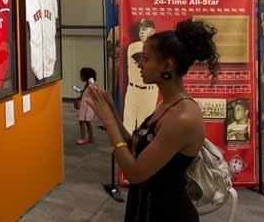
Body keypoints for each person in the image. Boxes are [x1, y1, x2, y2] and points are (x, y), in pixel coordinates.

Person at [87, 19, 219, 222]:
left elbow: (134, 172)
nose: (140, 64)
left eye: (146, 59)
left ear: (168, 64)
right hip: (143, 206)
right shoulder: (167, 105)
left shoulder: (182, 116)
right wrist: (112, 111)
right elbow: (137, 146)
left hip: (167, 214)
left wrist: (109, 122)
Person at [124, 18, 159, 132]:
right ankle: (128, 149)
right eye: (140, 30)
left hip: (150, 91)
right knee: (128, 125)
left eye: (145, 29)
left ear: (153, 31)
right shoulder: (134, 46)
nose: (141, 32)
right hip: (133, 89)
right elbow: (143, 64)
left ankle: (141, 149)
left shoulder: (159, 48)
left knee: (145, 125)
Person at [75, 67, 97, 145]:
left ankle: (83, 138)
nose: (81, 77)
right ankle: (91, 138)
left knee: (82, 121)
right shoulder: (88, 83)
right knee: (87, 122)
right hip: (86, 105)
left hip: (87, 106)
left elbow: (94, 90)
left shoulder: (91, 82)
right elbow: (85, 93)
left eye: (82, 75)